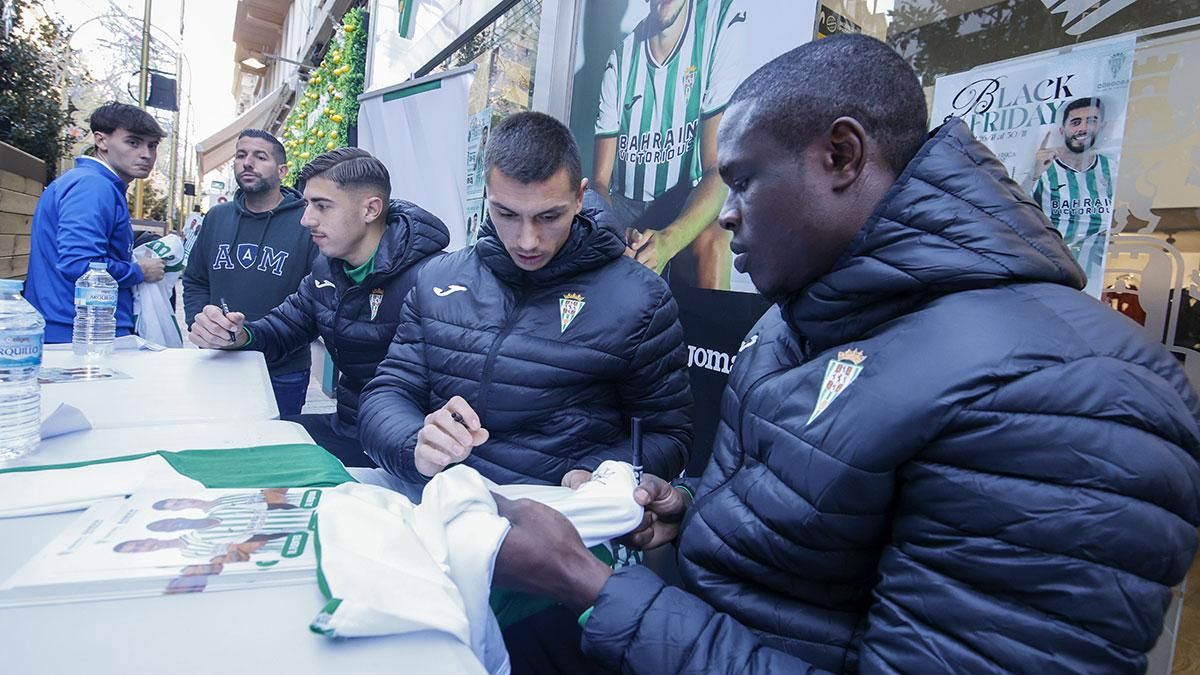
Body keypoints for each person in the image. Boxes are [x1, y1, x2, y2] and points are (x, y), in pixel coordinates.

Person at [489, 35, 1200, 673]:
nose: (726, 212)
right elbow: (811, 528)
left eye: (743, 180)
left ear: (843, 155)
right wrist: (689, 511)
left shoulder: (1070, 393)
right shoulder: (801, 317)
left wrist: (591, 585)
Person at [358, 111, 693, 489]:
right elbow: (387, 393)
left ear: (580, 198)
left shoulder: (641, 298)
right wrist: (414, 445)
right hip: (436, 503)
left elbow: (668, 434)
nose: (527, 240)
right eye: (506, 213)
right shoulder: (438, 279)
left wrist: (598, 474)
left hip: (556, 514)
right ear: (487, 196)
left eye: (549, 216)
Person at [188, 148, 450, 466]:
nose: (306, 219)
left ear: (370, 209)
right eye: (307, 204)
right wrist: (236, 334)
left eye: (322, 206)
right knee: (233, 444)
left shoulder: (435, 280)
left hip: (411, 451)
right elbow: (283, 328)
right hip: (350, 429)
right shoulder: (327, 269)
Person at [592, 0, 750, 289]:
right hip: (627, 208)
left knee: (715, 241)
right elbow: (600, 183)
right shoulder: (620, 60)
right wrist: (614, 234)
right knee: (579, 228)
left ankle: (706, 323)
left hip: (682, 201)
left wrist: (667, 242)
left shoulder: (717, 23)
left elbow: (716, 170)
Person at [183, 129, 318, 416]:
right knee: (215, 436)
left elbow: (318, 298)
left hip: (282, 370)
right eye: (241, 155)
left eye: (260, 156)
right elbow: (195, 279)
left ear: (282, 171)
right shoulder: (216, 217)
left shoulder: (307, 223)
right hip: (217, 360)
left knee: (274, 442)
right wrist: (202, 323)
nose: (247, 162)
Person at [25, 102, 167, 342]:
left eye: (152, 145)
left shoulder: (92, 182)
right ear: (101, 140)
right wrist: (139, 271)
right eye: (133, 142)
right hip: (80, 332)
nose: (146, 154)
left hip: (76, 328)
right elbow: (79, 264)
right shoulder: (93, 186)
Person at [1030, 96, 1116, 294]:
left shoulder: (1113, 169)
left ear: (1102, 126)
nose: (1083, 128)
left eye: (1091, 121)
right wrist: (1034, 175)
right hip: (1053, 273)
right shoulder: (1044, 170)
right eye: (1076, 122)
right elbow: (1017, 214)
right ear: (1063, 130)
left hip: (1100, 276)